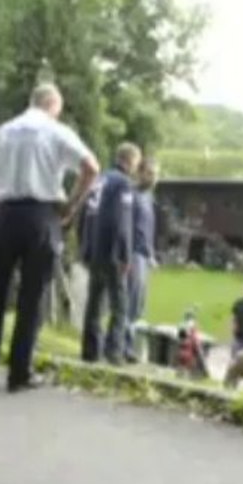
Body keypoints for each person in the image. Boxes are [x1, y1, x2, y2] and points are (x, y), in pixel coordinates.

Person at [0, 83, 99, 393]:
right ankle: (19, 372)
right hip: (40, 214)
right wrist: (70, 206)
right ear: (53, 105)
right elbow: (91, 167)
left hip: (5, 214)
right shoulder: (56, 131)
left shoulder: (3, 131)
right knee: (32, 298)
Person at [81, 143, 142, 365]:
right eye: (137, 162)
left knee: (94, 301)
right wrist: (125, 255)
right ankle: (113, 351)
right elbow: (122, 221)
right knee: (120, 304)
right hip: (112, 250)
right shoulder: (124, 184)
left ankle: (89, 350)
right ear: (131, 161)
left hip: (94, 247)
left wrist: (85, 247)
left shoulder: (99, 179)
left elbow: (86, 215)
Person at [123, 157, 159, 363]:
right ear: (140, 173)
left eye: (157, 174)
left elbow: (148, 230)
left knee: (139, 305)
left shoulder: (148, 198)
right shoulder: (133, 195)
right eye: (150, 173)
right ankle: (124, 347)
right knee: (130, 302)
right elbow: (127, 228)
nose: (154, 178)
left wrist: (151, 254)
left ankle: (130, 345)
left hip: (145, 255)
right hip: (133, 254)